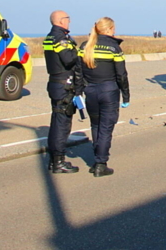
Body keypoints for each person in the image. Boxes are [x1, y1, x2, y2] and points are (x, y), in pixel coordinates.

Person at [79, 17, 130, 177]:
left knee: (95, 125)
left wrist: (79, 91)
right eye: (113, 28)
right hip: (108, 91)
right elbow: (121, 74)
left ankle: (97, 159)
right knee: (106, 128)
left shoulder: (85, 46)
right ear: (109, 29)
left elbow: (78, 72)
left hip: (90, 91)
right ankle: (101, 163)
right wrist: (126, 96)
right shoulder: (113, 48)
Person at [44, 10, 83, 174]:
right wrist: (81, 52)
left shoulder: (50, 36)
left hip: (56, 83)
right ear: (60, 21)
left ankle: (55, 159)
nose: (69, 21)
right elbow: (68, 59)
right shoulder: (60, 38)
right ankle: (58, 161)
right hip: (63, 85)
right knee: (62, 124)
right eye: (68, 18)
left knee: (57, 122)